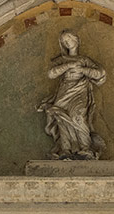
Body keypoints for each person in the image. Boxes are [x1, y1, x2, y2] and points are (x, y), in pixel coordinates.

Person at [37, 30, 107, 160]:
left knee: (78, 116)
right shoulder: (62, 60)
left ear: (76, 40)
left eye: (69, 39)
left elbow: (100, 73)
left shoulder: (84, 60)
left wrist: (83, 70)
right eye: (64, 41)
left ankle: (85, 148)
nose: (67, 42)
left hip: (80, 90)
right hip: (64, 91)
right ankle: (65, 149)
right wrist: (68, 65)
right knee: (61, 118)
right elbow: (51, 74)